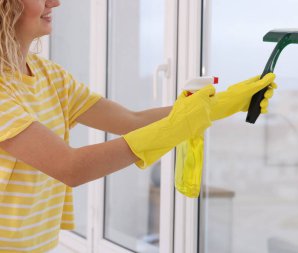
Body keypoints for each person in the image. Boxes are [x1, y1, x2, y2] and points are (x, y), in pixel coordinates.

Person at [0, 0, 276, 252]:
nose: (55, 2)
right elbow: (70, 167)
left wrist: (224, 103)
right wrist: (174, 129)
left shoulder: (50, 76)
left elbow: (132, 121)